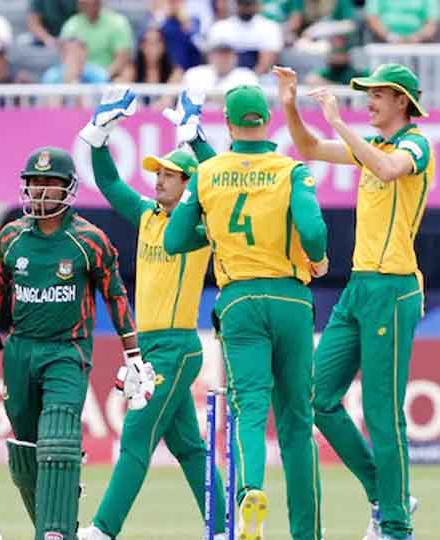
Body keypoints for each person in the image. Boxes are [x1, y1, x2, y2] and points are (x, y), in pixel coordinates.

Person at [0, 146, 156, 540]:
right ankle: (58, 524)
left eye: (50, 183)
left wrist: (133, 356)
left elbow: (115, 296)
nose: (41, 190)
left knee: (58, 440)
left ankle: (54, 532)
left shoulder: (89, 240)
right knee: (26, 452)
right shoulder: (11, 236)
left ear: (68, 188)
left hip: (67, 350)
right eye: (34, 182)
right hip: (20, 350)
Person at [163, 84, 328, 540]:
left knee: (249, 408)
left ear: (229, 124)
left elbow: (174, 240)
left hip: (239, 301)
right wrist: (318, 258)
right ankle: (307, 532)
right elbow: (313, 229)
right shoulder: (291, 169)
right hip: (291, 298)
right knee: (297, 421)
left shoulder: (207, 173)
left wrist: (215, 232)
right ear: (267, 121)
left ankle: (250, 489)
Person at [276, 62, 433, 540]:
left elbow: (387, 170)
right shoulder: (374, 146)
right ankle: (385, 495)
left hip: (392, 287)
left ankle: (396, 527)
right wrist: (290, 105)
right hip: (359, 287)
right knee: (317, 397)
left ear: (402, 101)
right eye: (368, 93)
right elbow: (307, 148)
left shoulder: (415, 145)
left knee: (383, 414)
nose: (369, 100)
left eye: (378, 94)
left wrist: (338, 121)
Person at [75, 87, 227, 540]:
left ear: (190, 184)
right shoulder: (146, 215)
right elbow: (109, 184)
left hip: (177, 347)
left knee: (136, 437)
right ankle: (224, 527)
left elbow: (218, 188)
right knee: (189, 448)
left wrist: (197, 145)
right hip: (149, 346)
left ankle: (103, 530)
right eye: (158, 172)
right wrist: (98, 138)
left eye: (170, 175)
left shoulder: (200, 228)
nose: (159, 180)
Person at [59, 0, 134, 82]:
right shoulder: (71, 24)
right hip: (77, 77)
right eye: (84, 2)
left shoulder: (118, 22)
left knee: (126, 74)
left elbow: (122, 57)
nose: (89, 4)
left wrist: (103, 77)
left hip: (109, 78)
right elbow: (66, 56)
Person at [206, 0, 282, 75]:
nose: (246, 9)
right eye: (242, 4)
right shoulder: (220, 27)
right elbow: (215, 58)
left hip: (260, 77)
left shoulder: (270, 27)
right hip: (226, 76)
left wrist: (250, 79)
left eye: (249, 5)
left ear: (257, 5)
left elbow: (267, 62)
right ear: (236, 5)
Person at [182, 39, 258, 99]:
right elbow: (186, 99)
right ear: (209, 57)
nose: (223, 59)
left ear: (235, 58)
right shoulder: (195, 73)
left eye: (227, 56)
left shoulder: (247, 76)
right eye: (219, 55)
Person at [130, 27, 183, 109]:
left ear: (163, 46)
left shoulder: (175, 72)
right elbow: (120, 89)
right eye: (147, 43)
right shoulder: (131, 70)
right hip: (137, 115)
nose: (151, 48)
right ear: (141, 46)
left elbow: (166, 101)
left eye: (156, 43)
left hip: (163, 115)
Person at [304, 34, 368, 86]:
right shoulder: (327, 72)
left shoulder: (356, 72)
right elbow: (311, 79)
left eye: (340, 52)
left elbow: (367, 78)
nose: (336, 57)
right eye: (334, 53)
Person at [41, 36, 108, 85]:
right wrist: (69, 78)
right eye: (69, 51)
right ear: (62, 55)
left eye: (77, 51)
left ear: (85, 53)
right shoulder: (51, 75)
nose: (74, 55)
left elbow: (101, 98)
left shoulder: (99, 74)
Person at [364, 0, 437, 43]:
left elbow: (432, 23)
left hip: (420, 44)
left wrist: (415, 38)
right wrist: (391, 37)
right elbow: (372, 18)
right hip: (382, 42)